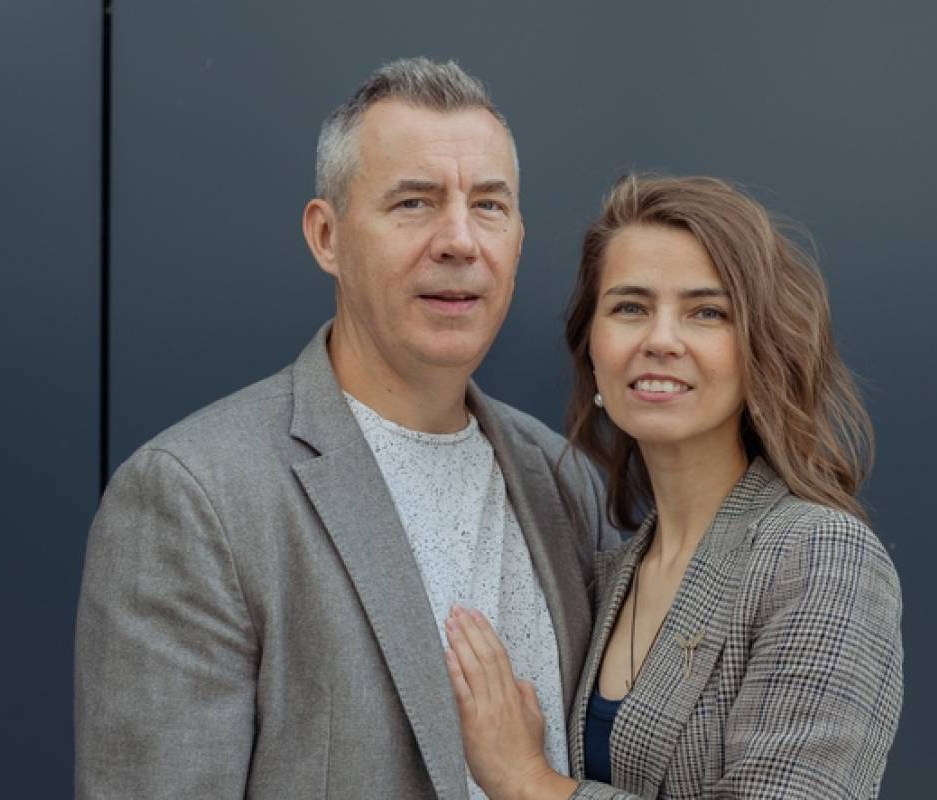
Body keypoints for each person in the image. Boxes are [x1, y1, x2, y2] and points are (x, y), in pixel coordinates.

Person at [74, 59, 615, 799]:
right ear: (327, 236)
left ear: (517, 239)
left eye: (488, 205)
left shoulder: (564, 482)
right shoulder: (195, 497)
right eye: (415, 203)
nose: (460, 240)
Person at [444, 175, 904, 799]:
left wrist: (527, 782)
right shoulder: (609, 573)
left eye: (706, 312)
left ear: (760, 350)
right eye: (630, 307)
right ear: (594, 353)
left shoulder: (819, 556)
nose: (661, 340)